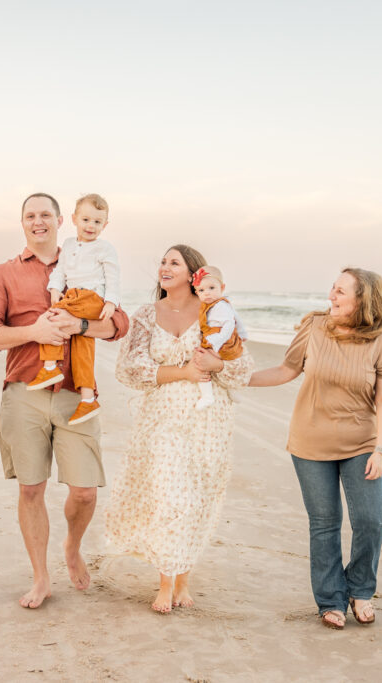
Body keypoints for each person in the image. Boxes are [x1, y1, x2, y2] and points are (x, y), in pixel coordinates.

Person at [0, 192, 130, 609]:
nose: (38, 221)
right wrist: (33, 333)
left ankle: (72, 547)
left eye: (46, 214)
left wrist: (81, 325)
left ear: (62, 220)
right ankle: (41, 577)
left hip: (76, 395)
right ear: (22, 222)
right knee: (31, 489)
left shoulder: (88, 259)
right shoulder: (2, 274)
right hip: (24, 391)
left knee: (85, 492)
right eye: (30, 215)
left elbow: (119, 324)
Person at [247, 267, 382, 630]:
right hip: (310, 442)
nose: (331, 295)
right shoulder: (315, 327)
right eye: (333, 289)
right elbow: (285, 370)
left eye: (340, 291)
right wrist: (236, 377)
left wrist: (381, 450)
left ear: (362, 299)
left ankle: (360, 589)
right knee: (325, 523)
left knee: (371, 520)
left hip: (361, 443)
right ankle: (331, 599)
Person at [105, 245, 254, 613]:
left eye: (174, 262)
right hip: (161, 417)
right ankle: (165, 583)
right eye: (163, 262)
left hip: (209, 419)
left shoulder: (216, 312)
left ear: (193, 274)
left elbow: (241, 369)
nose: (165, 267)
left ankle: (183, 577)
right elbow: (130, 368)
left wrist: (217, 366)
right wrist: (183, 372)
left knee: (197, 497)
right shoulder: (146, 315)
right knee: (172, 496)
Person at [28, 193, 120, 427]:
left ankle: (50, 366)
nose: (91, 226)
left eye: (97, 222)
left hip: (91, 297)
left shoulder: (104, 248)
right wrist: (54, 288)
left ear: (105, 225)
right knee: (83, 343)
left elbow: (113, 276)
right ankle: (88, 398)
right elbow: (60, 270)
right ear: (74, 219)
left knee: (53, 316)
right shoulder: (68, 245)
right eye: (86, 220)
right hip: (74, 295)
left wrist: (111, 301)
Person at [192, 265, 248, 410]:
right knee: (220, 365)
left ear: (222, 288)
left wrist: (218, 339)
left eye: (212, 288)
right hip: (217, 338)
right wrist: (243, 333)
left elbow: (230, 323)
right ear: (196, 292)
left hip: (221, 340)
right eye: (201, 290)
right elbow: (237, 317)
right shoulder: (210, 304)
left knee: (201, 362)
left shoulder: (221, 306)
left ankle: (207, 396)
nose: (207, 293)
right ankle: (231, 388)